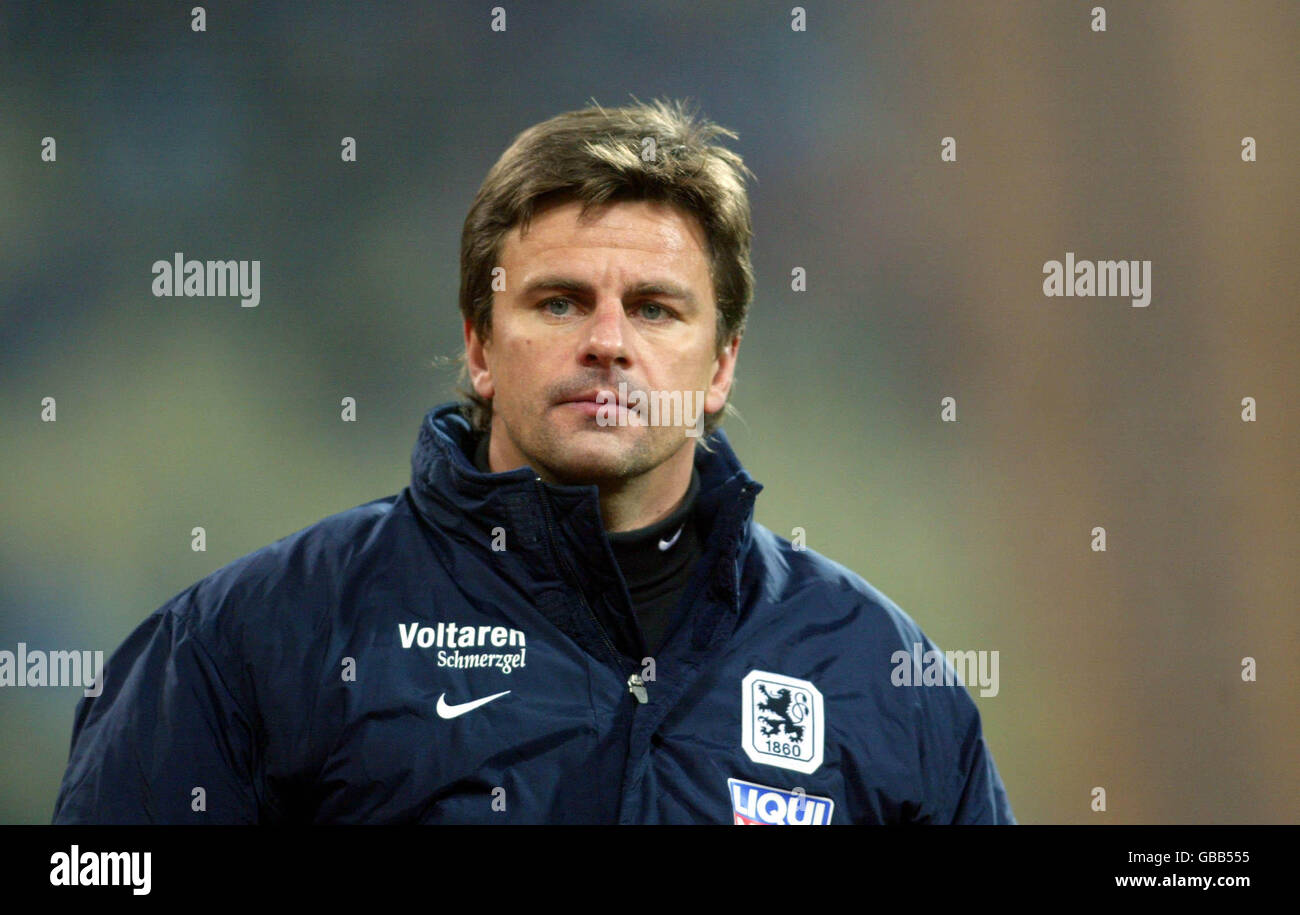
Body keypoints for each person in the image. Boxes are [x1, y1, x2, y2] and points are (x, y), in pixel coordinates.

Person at [52, 98, 1015, 824]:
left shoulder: (879, 672)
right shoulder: (248, 642)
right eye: (558, 302)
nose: (607, 342)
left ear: (720, 364)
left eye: (654, 307)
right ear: (479, 345)